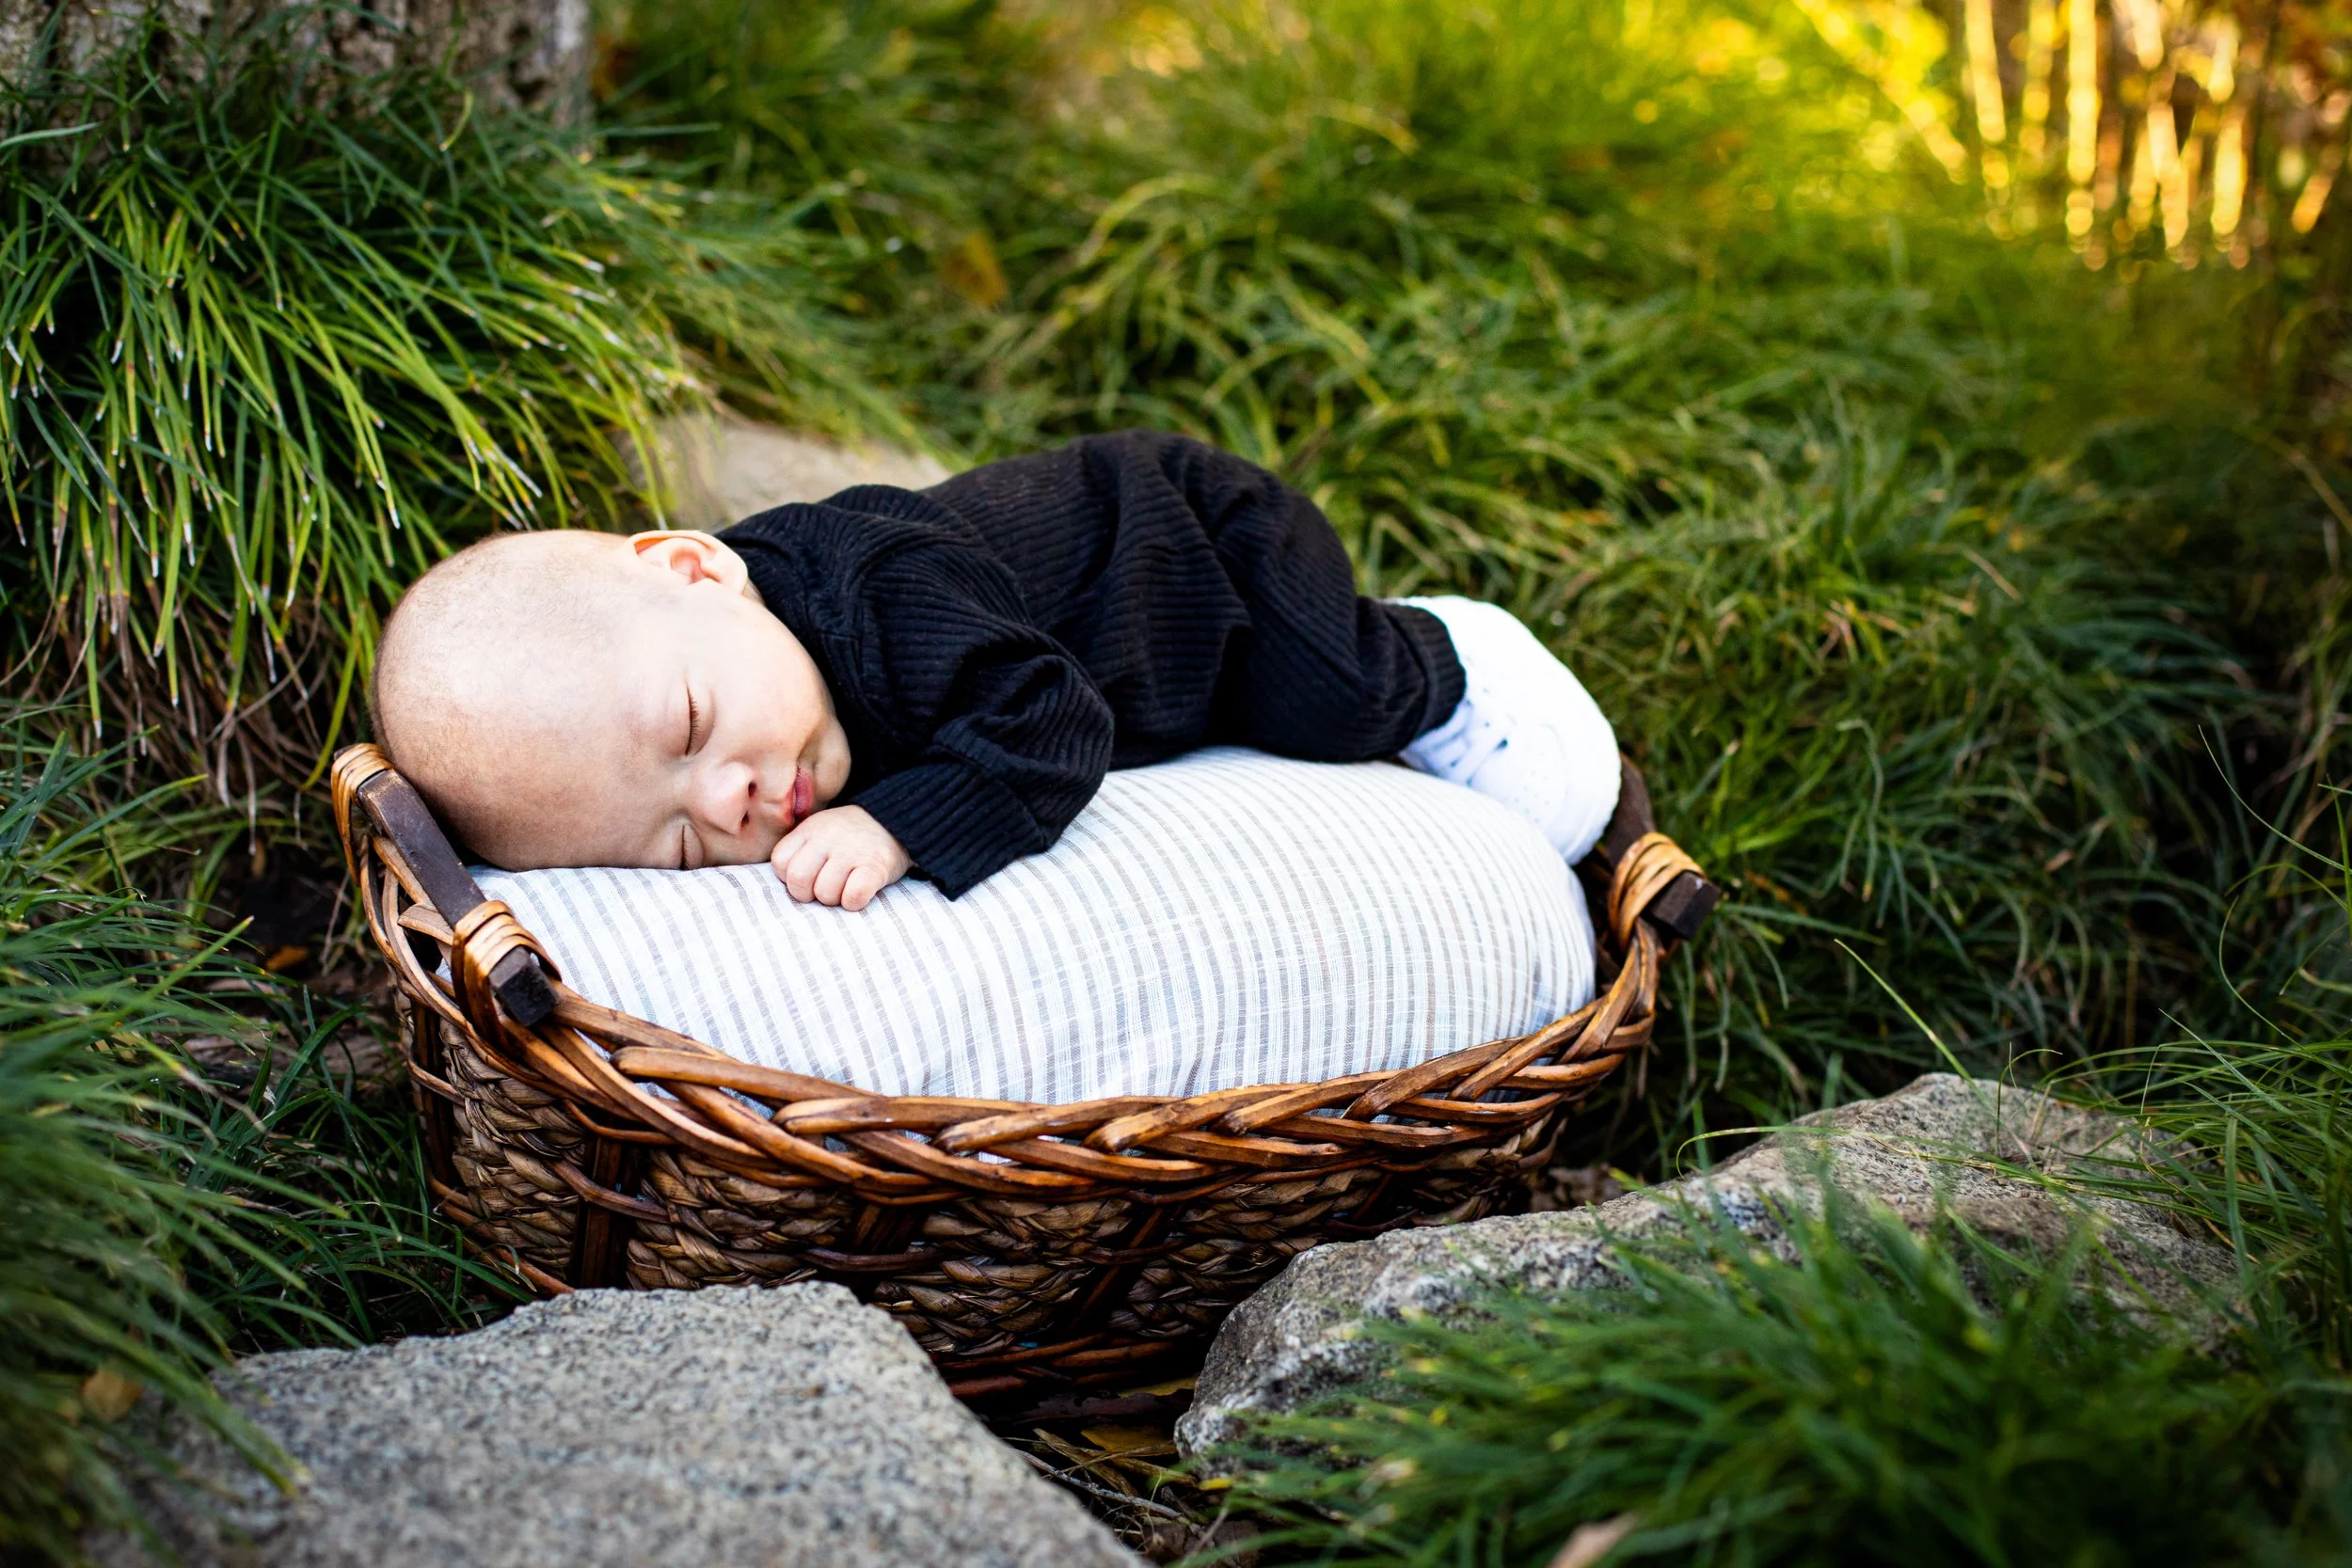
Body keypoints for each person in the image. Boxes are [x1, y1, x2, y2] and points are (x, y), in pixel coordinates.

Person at [371, 430, 1619, 910]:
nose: (729, 800)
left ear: (697, 568)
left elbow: (1054, 717)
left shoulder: (882, 594)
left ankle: (1451, 660)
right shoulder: (750, 676)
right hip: (1135, 648)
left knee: (1329, 697)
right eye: (682, 848)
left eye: (693, 723)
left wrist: (904, 827)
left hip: (1200, 556)